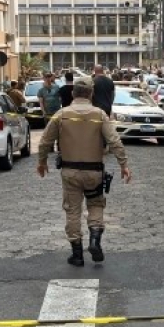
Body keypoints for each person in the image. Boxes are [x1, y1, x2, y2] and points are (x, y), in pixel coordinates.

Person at [37, 75, 131, 266]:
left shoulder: (61, 115)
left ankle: (77, 254)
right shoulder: (99, 115)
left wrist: (42, 161)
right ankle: (95, 240)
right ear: (91, 93)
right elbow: (114, 141)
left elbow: (45, 141)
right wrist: (124, 165)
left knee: (72, 211)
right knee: (96, 205)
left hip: (70, 171)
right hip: (94, 171)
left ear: (73, 93)